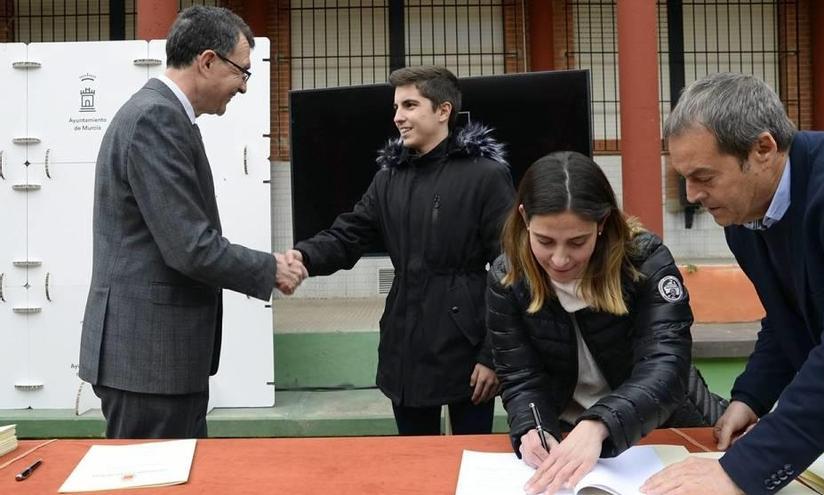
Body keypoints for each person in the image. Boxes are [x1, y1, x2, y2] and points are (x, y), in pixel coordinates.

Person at [642, 72, 824, 495]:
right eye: (684, 178)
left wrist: (740, 471)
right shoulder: (746, 212)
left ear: (763, 149)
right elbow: (787, 314)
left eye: (704, 176)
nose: (692, 194)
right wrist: (751, 397)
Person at [78, 5, 307, 439]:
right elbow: (190, 246)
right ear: (206, 61)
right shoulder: (156, 118)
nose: (243, 86)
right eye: (242, 72)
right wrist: (271, 268)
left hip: (154, 359)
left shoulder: (162, 114)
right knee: (150, 479)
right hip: (149, 360)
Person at [292, 66, 515, 435]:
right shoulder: (388, 177)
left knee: (469, 459)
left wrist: (492, 356)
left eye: (410, 105)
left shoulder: (485, 176)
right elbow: (349, 235)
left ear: (443, 111)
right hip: (405, 341)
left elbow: (511, 266)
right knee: (414, 459)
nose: (398, 117)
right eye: (396, 107)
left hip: (468, 341)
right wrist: (302, 258)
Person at [488, 151, 726, 495]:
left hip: (665, 428)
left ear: (602, 223)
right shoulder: (507, 277)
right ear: (524, 218)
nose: (559, 259)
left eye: (577, 242)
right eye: (544, 241)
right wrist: (532, 427)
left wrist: (600, 422)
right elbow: (521, 376)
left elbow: (665, 366)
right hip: (573, 441)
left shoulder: (644, 261)